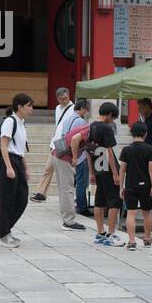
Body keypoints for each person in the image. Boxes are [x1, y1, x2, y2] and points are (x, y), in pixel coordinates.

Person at [0, 93, 34, 247]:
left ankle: (6, 229)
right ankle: (3, 234)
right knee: (7, 200)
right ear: (20, 107)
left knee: (22, 199)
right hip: (8, 162)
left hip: (17, 161)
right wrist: (9, 167)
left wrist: (26, 168)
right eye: (29, 106)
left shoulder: (21, 123)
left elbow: (21, 149)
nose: (31, 109)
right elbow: (3, 145)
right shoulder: (10, 122)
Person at [87, 102, 123, 246]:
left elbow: (88, 150)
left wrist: (91, 172)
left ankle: (100, 232)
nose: (112, 121)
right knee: (114, 202)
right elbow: (110, 152)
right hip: (108, 169)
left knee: (99, 201)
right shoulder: (106, 129)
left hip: (97, 167)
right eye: (113, 118)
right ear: (109, 115)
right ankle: (111, 234)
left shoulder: (92, 126)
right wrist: (116, 174)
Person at [32, 87, 75, 202]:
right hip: (55, 143)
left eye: (65, 98)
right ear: (57, 99)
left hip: (66, 144)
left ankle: (70, 196)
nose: (63, 101)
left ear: (69, 96)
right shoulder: (57, 108)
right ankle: (41, 193)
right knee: (48, 168)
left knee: (66, 173)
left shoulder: (74, 109)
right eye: (61, 99)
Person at [120, 121, 152, 250]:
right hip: (146, 185)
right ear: (145, 134)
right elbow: (151, 169)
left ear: (132, 133)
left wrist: (121, 186)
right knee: (147, 212)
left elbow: (122, 169)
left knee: (131, 213)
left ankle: (131, 241)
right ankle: (147, 238)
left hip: (131, 184)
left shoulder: (126, 149)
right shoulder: (150, 149)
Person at [54, 98, 90, 232]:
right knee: (70, 188)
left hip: (59, 152)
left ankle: (67, 218)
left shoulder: (68, 118)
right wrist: (75, 157)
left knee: (64, 189)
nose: (86, 112)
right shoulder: (82, 122)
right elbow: (75, 140)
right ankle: (69, 221)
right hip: (68, 157)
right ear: (83, 109)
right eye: (86, 109)